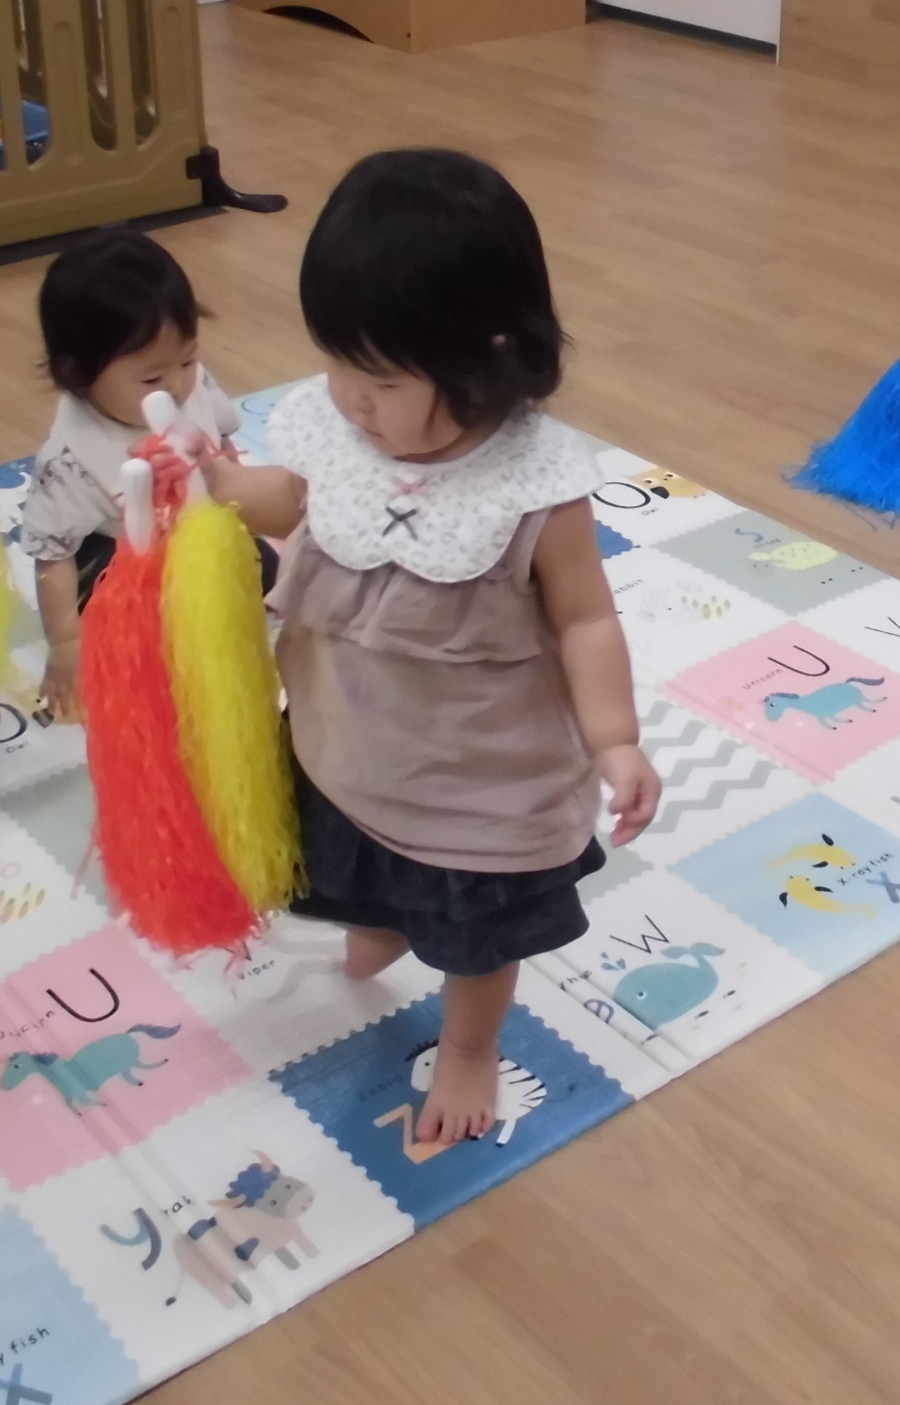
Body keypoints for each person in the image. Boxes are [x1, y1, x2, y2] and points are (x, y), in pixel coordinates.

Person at [202, 148, 660, 1145]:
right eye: (337, 366)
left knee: (474, 938)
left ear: (486, 358)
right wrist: (226, 489)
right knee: (350, 863)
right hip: (348, 740)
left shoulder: (534, 490)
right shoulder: (343, 431)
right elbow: (299, 502)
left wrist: (616, 739)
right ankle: (379, 919)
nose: (349, 401)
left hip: (474, 788)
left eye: (379, 380)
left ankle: (468, 1047)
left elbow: (585, 619)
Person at [19, 228, 261, 723]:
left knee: (261, 569)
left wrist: (239, 512)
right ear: (76, 373)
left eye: (188, 360)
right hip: (123, 551)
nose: (177, 384)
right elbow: (53, 556)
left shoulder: (190, 382)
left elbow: (224, 449)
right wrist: (66, 643)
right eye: (152, 378)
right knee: (106, 609)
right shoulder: (71, 460)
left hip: (198, 530)